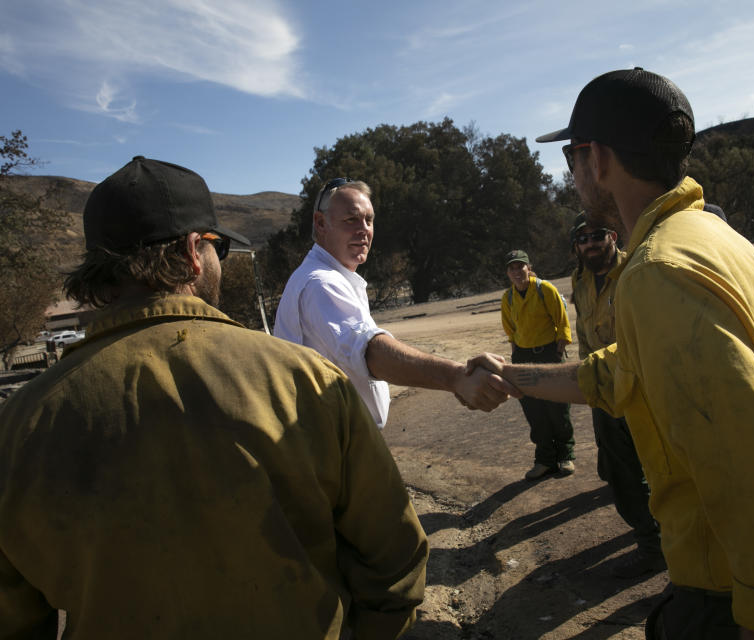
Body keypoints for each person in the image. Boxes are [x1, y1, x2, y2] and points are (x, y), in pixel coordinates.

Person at [471, 68, 754, 638]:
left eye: (572, 159)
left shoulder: (658, 272)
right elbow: (624, 372)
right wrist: (514, 376)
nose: (575, 175)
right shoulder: (702, 236)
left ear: (596, 159)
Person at [0, 157, 429, 639]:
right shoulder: (307, 382)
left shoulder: (18, 426)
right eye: (217, 247)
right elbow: (395, 560)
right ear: (191, 253)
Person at [274, 178, 512, 429]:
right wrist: (455, 377)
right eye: (350, 220)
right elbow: (369, 352)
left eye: (369, 220)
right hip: (331, 452)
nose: (364, 229)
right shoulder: (321, 284)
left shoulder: (329, 277)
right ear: (321, 223)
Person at [569, 213, 663, 578]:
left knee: (661, 467)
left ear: (612, 235)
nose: (591, 243)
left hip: (644, 386)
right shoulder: (579, 280)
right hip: (603, 390)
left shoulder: (637, 268)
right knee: (621, 474)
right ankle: (650, 542)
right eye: (583, 239)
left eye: (597, 235)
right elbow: (583, 332)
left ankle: (675, 543)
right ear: (576, 246)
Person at [501, 249, 575, 480]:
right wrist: (515, 349)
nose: (516, 271)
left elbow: (562, 319)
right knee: (533, 410)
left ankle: (566, 455)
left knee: (558, 407)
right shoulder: (508, 297)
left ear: (529, 268)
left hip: (549, 353)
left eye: (520, 266)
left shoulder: (545, 289)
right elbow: (509, 328)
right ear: (508, 273)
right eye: (512, 268)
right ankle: (545, 459)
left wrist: (561, 347)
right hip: (523, 357)